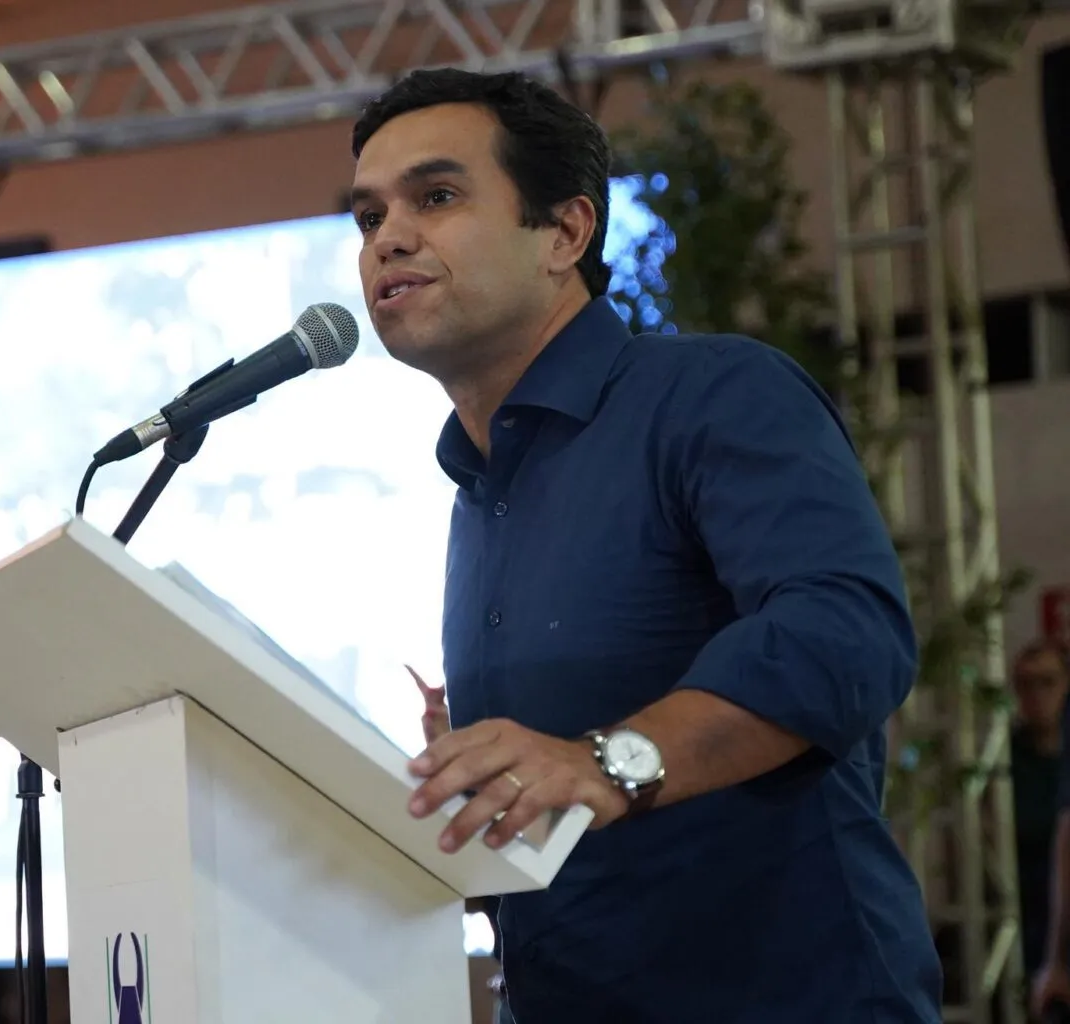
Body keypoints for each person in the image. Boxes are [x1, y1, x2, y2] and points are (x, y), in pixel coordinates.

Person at [350, 69, 942, 1022]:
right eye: (369, 216)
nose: (389, 237)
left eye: (438, 196)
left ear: (565, 232)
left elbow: (846, 632)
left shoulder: (713, 394)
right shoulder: (480, 484)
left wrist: (610, 761)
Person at [1007, 641, 1069, 980]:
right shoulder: (1005, 762)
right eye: (1026, 684)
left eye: (1047, 681)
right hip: (1028, 917)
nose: (1037, 694)